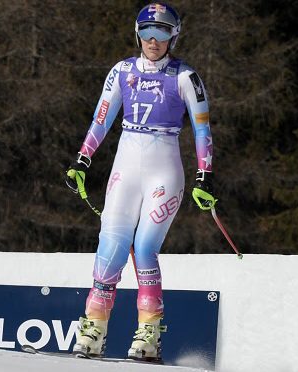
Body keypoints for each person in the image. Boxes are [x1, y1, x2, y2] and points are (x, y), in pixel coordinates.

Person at [65, 3, 217, 362]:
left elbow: (202, 128)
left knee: (145, 248)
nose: (153, 40)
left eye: (162, 32)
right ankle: (94, 327)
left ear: (173, 37)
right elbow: (101, 119)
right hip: (126, 167)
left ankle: (149, 334)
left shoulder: (185, 76)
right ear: (137, 34)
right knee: (112, 244)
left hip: (165, 172)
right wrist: (82, 160)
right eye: (147, 31)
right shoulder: (121, 71)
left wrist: (204, 176)